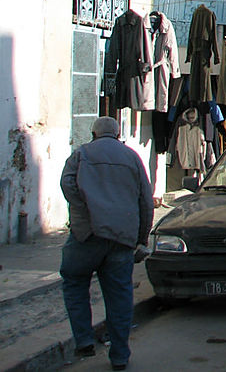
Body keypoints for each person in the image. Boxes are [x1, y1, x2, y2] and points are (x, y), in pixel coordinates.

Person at [60, 116, 154, 371]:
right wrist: (141, 238)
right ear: (117, 133)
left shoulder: (81, 155)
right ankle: (120, 356)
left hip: (86, 235)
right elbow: (146, 201)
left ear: (93, 134)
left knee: (73, 281)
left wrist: (82, 209)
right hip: (121, 238)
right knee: (120, 297)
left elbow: (66, 184)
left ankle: (84, 340)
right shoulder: (132, 157)